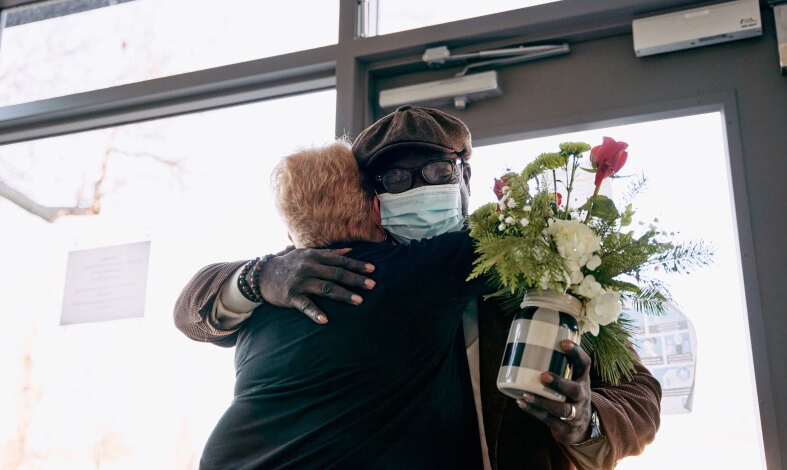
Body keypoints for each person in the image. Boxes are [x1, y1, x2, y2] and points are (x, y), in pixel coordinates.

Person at [174, 105, 662, 470]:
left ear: (465, 176)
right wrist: (257, 277)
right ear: (372, 198)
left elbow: (640, 393)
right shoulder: (325, 274)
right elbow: (191, 310)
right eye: (396, 178)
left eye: (437, 172)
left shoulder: (540, 269)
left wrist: (585, 422)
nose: (419, 189)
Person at [198, 140, 491, 469]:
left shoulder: (266, 298)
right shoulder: (421, 269)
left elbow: (196, 315)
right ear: (377, 211)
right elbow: (525, 234)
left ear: (293, 238)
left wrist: (260, 274)